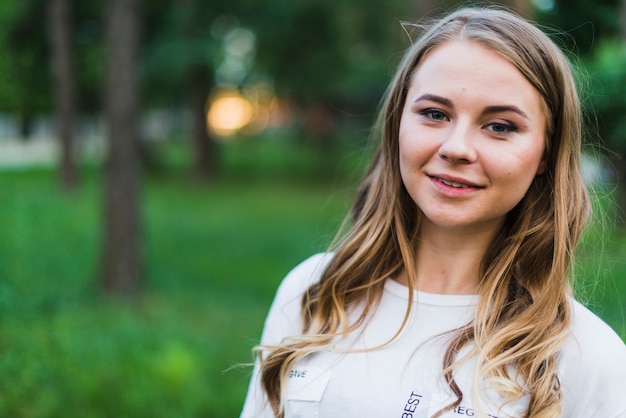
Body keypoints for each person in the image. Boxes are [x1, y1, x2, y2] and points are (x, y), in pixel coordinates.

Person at [240, 6, 626, 418]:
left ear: (547, 152)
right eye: (434, 114)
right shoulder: (314, 292)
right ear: (397, 124)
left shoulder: (587, 358)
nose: (456, 147)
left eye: (500, 126)